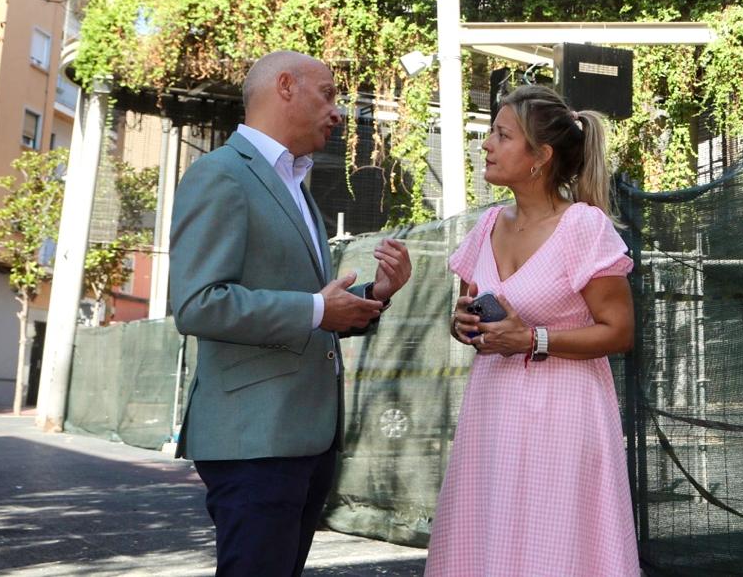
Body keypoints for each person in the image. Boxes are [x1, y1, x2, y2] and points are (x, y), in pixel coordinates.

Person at [170, 50, 413, 577]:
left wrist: (375, 294)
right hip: (254, 441)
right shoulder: (221, 175)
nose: (338, 112)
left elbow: (313, 310)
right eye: (327, 94)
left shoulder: (296, 186)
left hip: (303, 438)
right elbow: (196, 303)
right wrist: (317, 308)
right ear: (285, 87)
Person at [425, 84, 639, 577]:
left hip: (565, 415)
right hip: (492, 412)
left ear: (540, 157)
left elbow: (619, 332)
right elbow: (471, 316)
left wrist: (534, 339)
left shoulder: (585, 226)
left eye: (501, 135)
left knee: (556, 548)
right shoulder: (485, 226)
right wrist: (463, 324)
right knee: (489, 540)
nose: (487, 145)